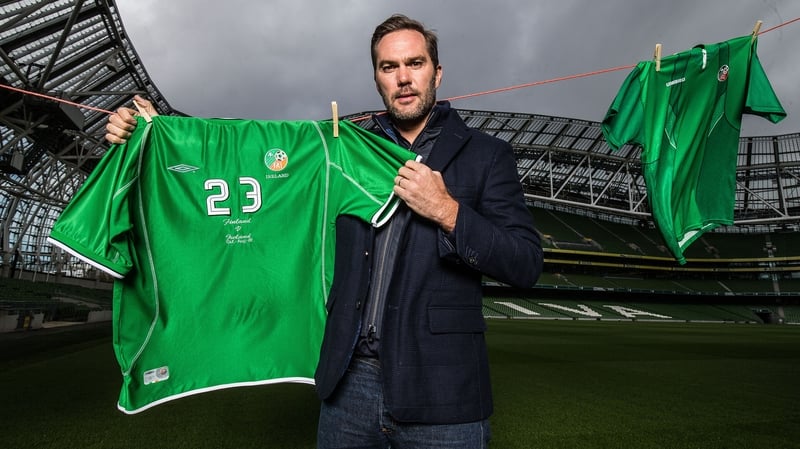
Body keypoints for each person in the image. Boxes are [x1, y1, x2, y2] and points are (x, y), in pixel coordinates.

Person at [106, 14, 543, 449]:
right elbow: (252, 151)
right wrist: (159, 135)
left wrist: (448, 211)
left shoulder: (486, 155)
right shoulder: (340, 149)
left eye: (415, 63)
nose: (403, 78)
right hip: (349, 386)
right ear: (377, 78)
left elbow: (525, 263)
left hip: (442, 389)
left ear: (437, 72)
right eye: (389, 67)